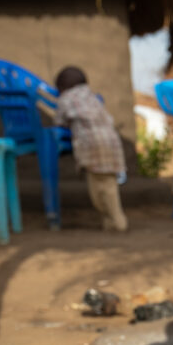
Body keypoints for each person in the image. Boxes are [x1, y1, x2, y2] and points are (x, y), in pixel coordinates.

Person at [44, 67, 128, 232]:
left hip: (92, 147)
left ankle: (117, 221)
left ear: (61, 87)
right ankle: (112, 221)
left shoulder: (66, 99)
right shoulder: (93, 97)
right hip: (112, 144)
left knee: (97, 190)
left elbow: (59, 121)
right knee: (110, 186)